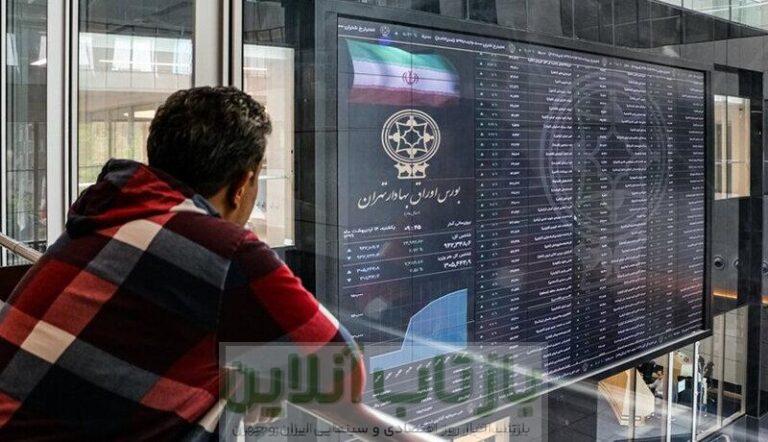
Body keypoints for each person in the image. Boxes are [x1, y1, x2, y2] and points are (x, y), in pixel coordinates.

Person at [0, 87, 440, 441]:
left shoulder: (102, 217)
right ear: (243, 183)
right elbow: (342, 374)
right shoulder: (225, 251)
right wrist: (243, 378)